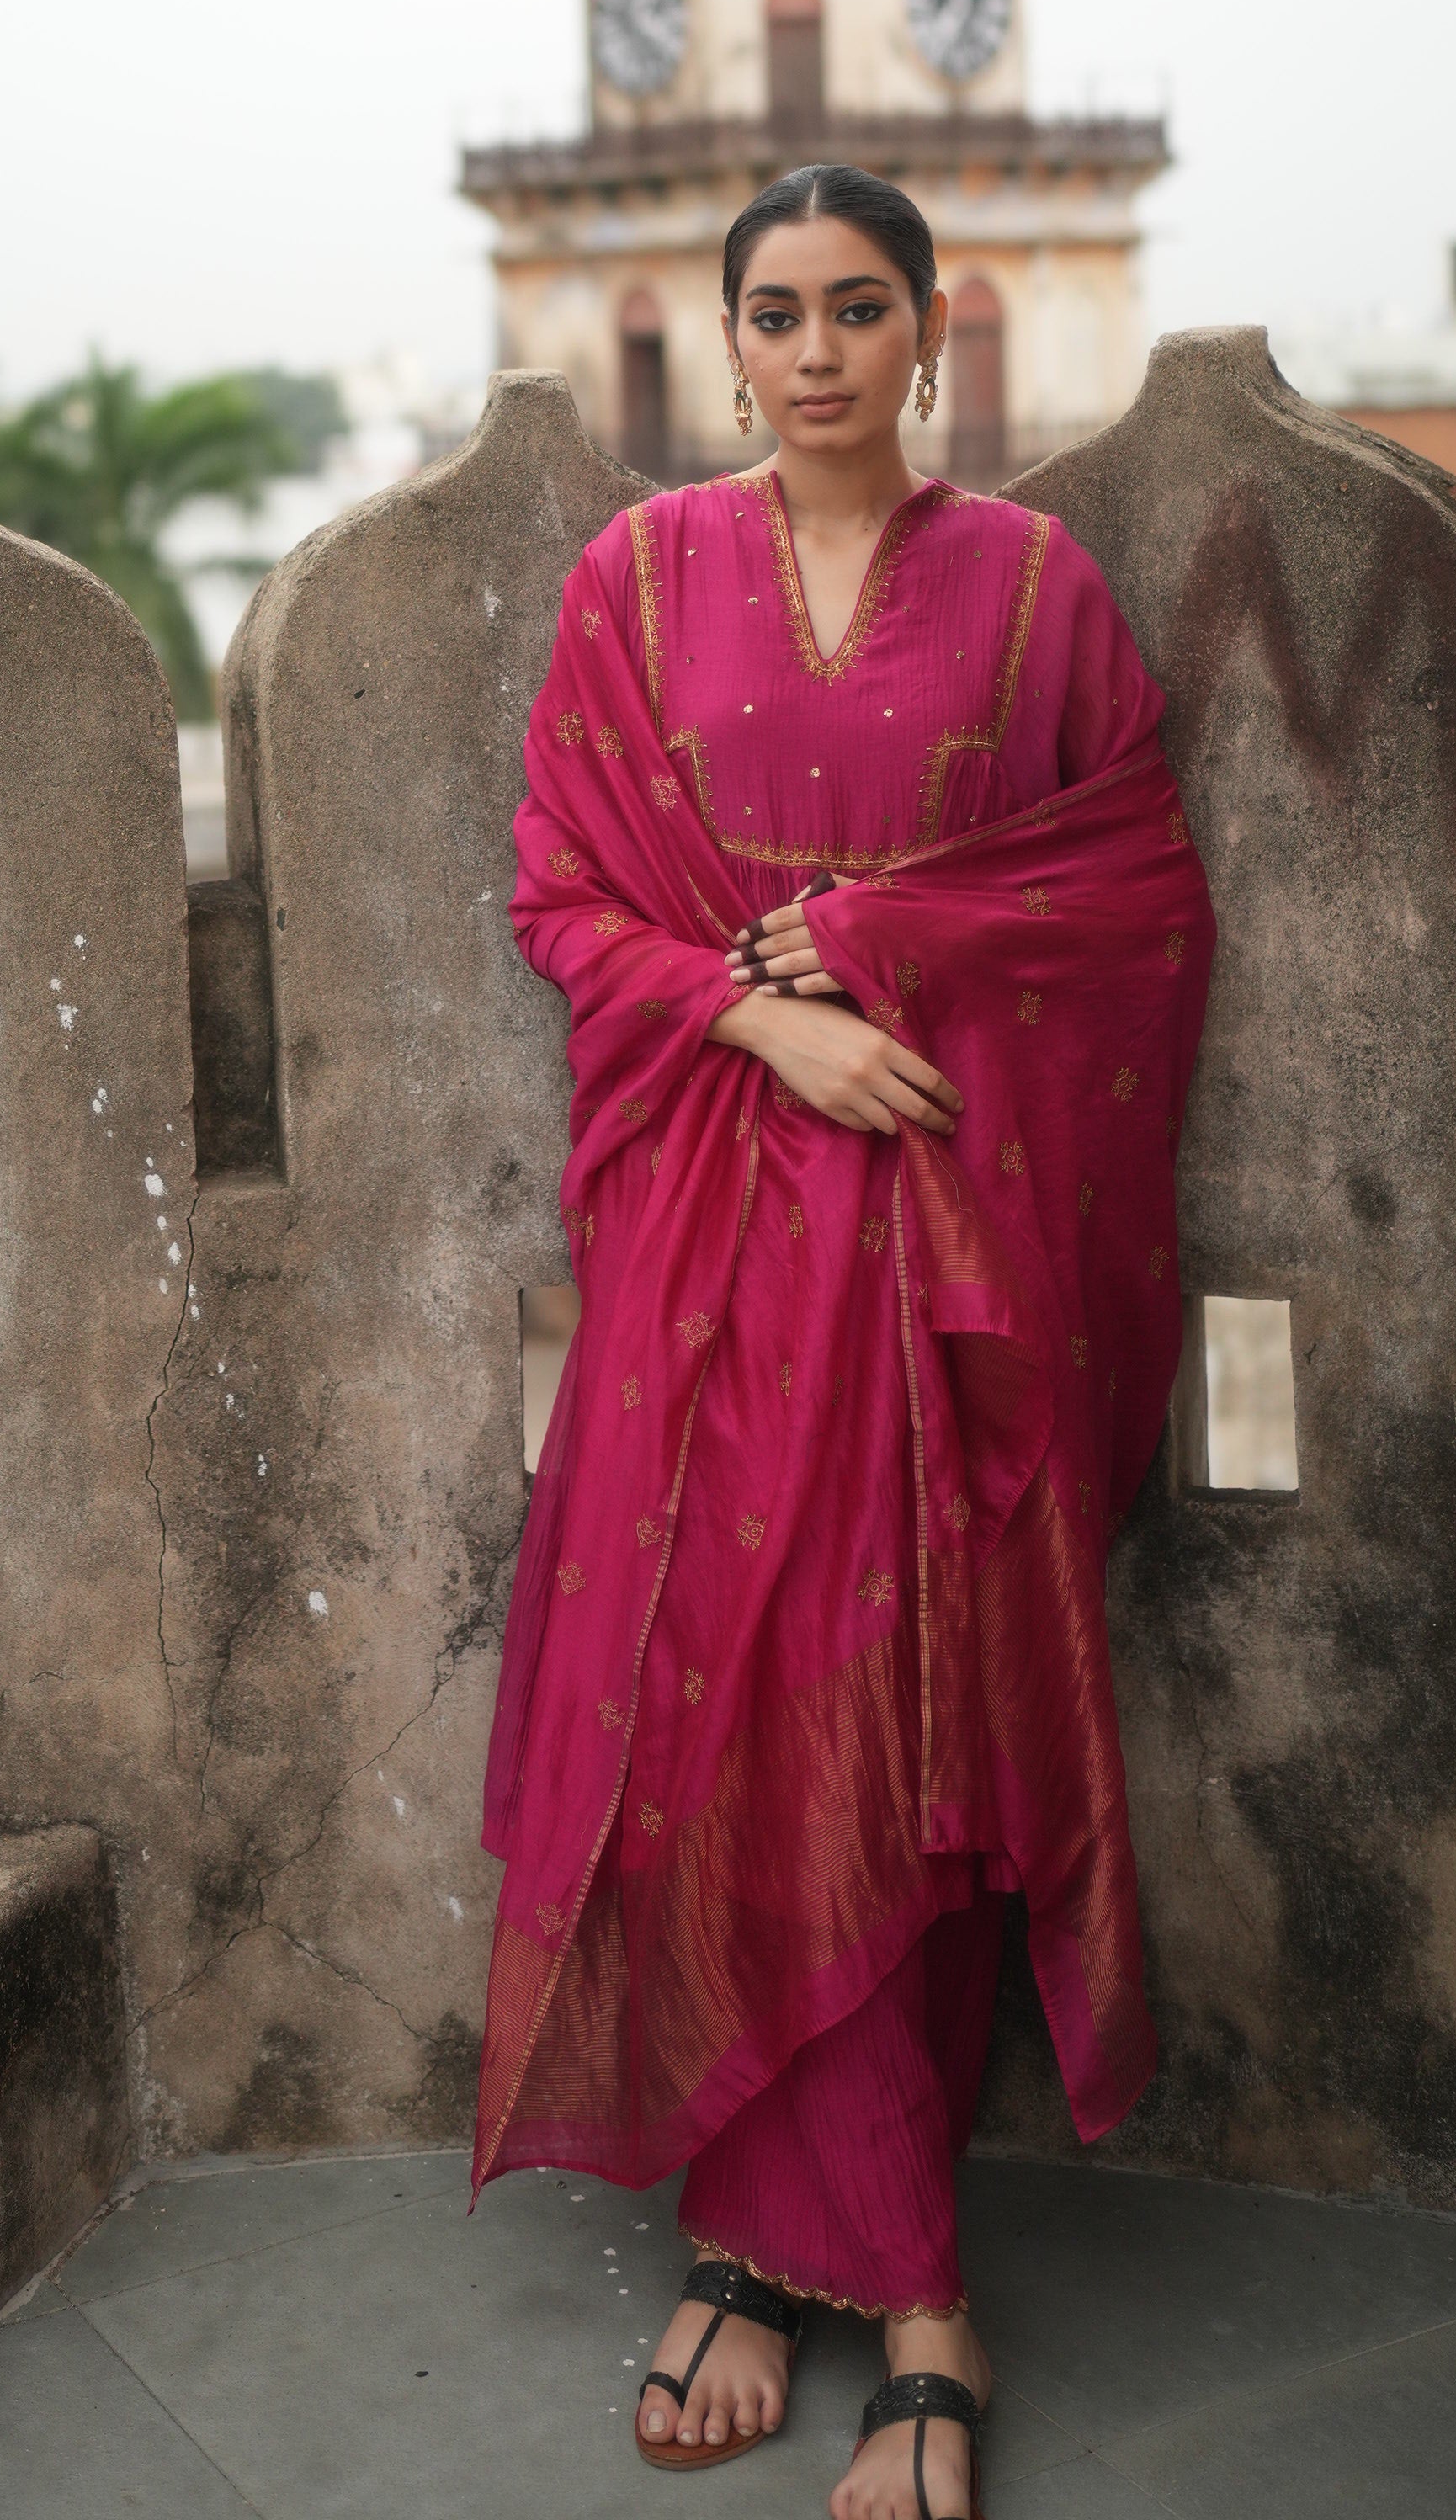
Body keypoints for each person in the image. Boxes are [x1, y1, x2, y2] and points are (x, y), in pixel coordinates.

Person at [473, 164, 1213, 2519]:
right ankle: (757, 2227)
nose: (811, 349)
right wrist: (752, 1016)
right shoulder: (637, 580)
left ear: (928, 337)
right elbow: (561, 888)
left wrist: (887, 941)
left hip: (947, 1253)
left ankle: (911, 2296)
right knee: (705, 1712)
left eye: (856, 307)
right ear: (727, 345)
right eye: (770, 312)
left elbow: (1126, 896)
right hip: (709, 1250)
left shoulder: (1035, 594)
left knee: (905, 1733)